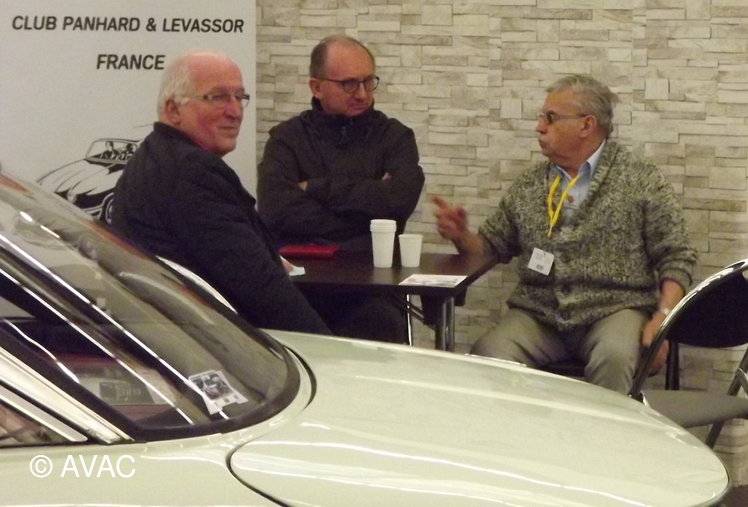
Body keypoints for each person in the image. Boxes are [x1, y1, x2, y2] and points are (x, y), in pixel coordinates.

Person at [432, 74, 695, 393]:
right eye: (541, 117)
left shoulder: (640, 179)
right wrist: (461, 235)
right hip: (539, 315)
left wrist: (662, 318)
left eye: (551, 118)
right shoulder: (529, 185)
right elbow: (490, 247)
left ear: (586, 125)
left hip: (616, 310)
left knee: (614, 356)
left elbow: (677, 256)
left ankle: (603, 428)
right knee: (489, 354)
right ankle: (528, 425)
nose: (539, 127)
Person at [107, 50, 329, 335]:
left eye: (239, 97)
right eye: (219, 97)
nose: (235, 111)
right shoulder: (192, 172)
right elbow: (257, 285)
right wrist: (328, 350)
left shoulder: (158, 154)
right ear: (174, 110)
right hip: (207, 342)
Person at [258, 35, 425, 341]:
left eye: (368, 82)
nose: (362, 94)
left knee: (378, 328)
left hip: (373, 288)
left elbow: (398, 201)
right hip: (299, 286)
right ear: (316, 87)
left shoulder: (395, 137)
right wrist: (367, 211)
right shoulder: (286, 139)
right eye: (349, 84)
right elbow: (277, 212)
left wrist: (315, 188)